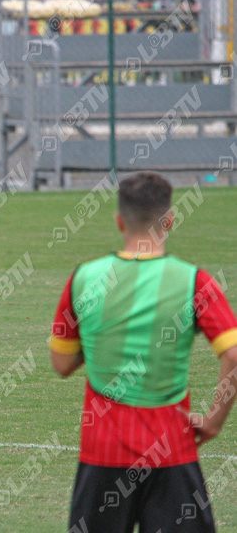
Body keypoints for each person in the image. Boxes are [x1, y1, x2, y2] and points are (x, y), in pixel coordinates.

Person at [50, 172, 237, 532]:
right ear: (169, 220)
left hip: (102, 453)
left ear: (119, 221)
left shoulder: (84, 278)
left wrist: (105, 335)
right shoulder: (194, 281)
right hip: (172, 450)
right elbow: (232, 354)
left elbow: (61, 363)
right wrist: (214, 419)